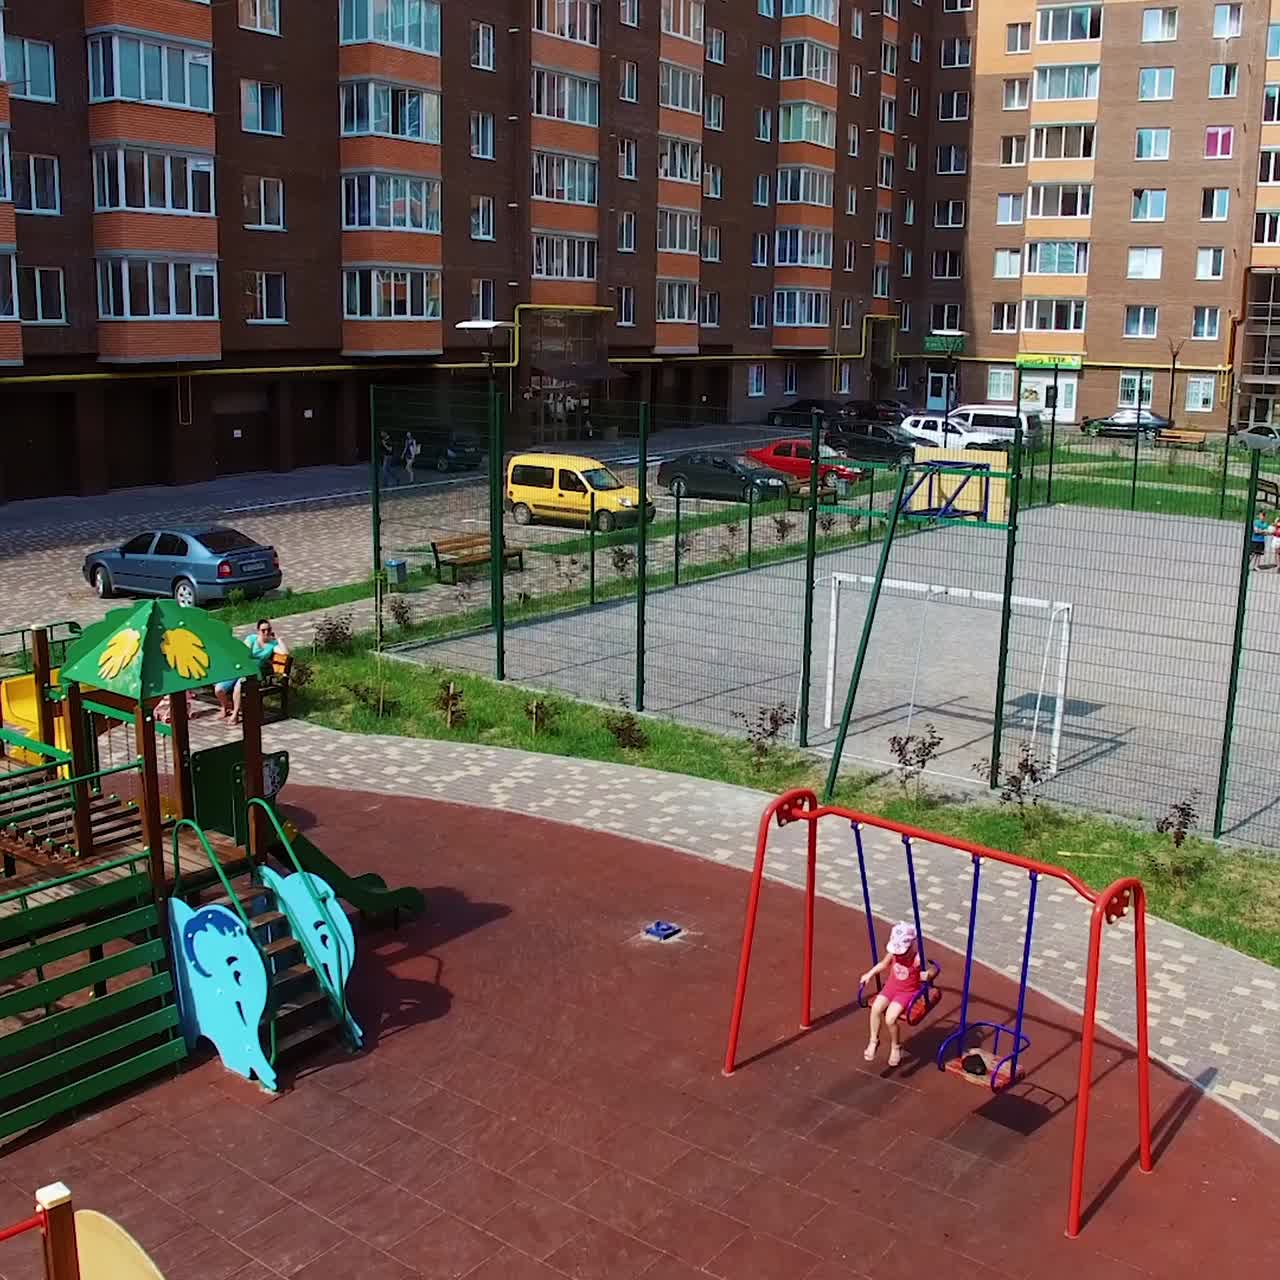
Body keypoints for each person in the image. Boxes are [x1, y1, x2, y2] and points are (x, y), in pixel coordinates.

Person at [859, 922, 937, 1067]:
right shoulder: (894, 953)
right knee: (875, 1008)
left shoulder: (917, 958)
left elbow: (933, 970)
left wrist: (927, 975)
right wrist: (869, 974)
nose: (898, 954)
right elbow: (883, 964)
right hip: (891, 987)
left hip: (906, 992)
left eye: (901, 952)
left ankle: (896, 1046)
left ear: (911, 945)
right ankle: (873, 1041)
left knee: (890, 1018)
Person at [214, 619, 288, 724]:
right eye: (263, 630)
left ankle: (235, 714)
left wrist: (279, 639)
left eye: (268, 630)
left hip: (254, 673)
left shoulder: (272, 644)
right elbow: (243, 653)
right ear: (258, 631)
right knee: (219, 689)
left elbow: (285, 653)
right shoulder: (251, 639)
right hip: (240, 668)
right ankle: (225, 707)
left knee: (238, 687)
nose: (266, 632)